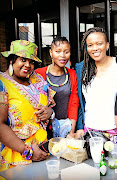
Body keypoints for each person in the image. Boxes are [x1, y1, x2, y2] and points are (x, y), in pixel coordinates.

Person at [0, 40, 55, 171]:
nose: (28, 65)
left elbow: (49, 107)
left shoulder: (36, 80)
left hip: (43, 151)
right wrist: (28, 152)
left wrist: (50, 112)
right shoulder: (2, 84)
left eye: (31, 62)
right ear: (12, 60)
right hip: (16, 157)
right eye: (23, 60)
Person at [75, 27, 117, 144]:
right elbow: (81, 102)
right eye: (90, 45)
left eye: (99, 44)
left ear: (107, 45)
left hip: (116, 131)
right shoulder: (81, 68)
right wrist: (80, 127)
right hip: (90, 130)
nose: (95, 48)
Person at [35, 36, 79, 138]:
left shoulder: (73, 75)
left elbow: (74, 103)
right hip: (43, 127)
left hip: (66, 127)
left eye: (66, 52)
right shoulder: (39, 74)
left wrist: (71, 132)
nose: (62, 56)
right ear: (51, 52)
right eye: (58, 51)